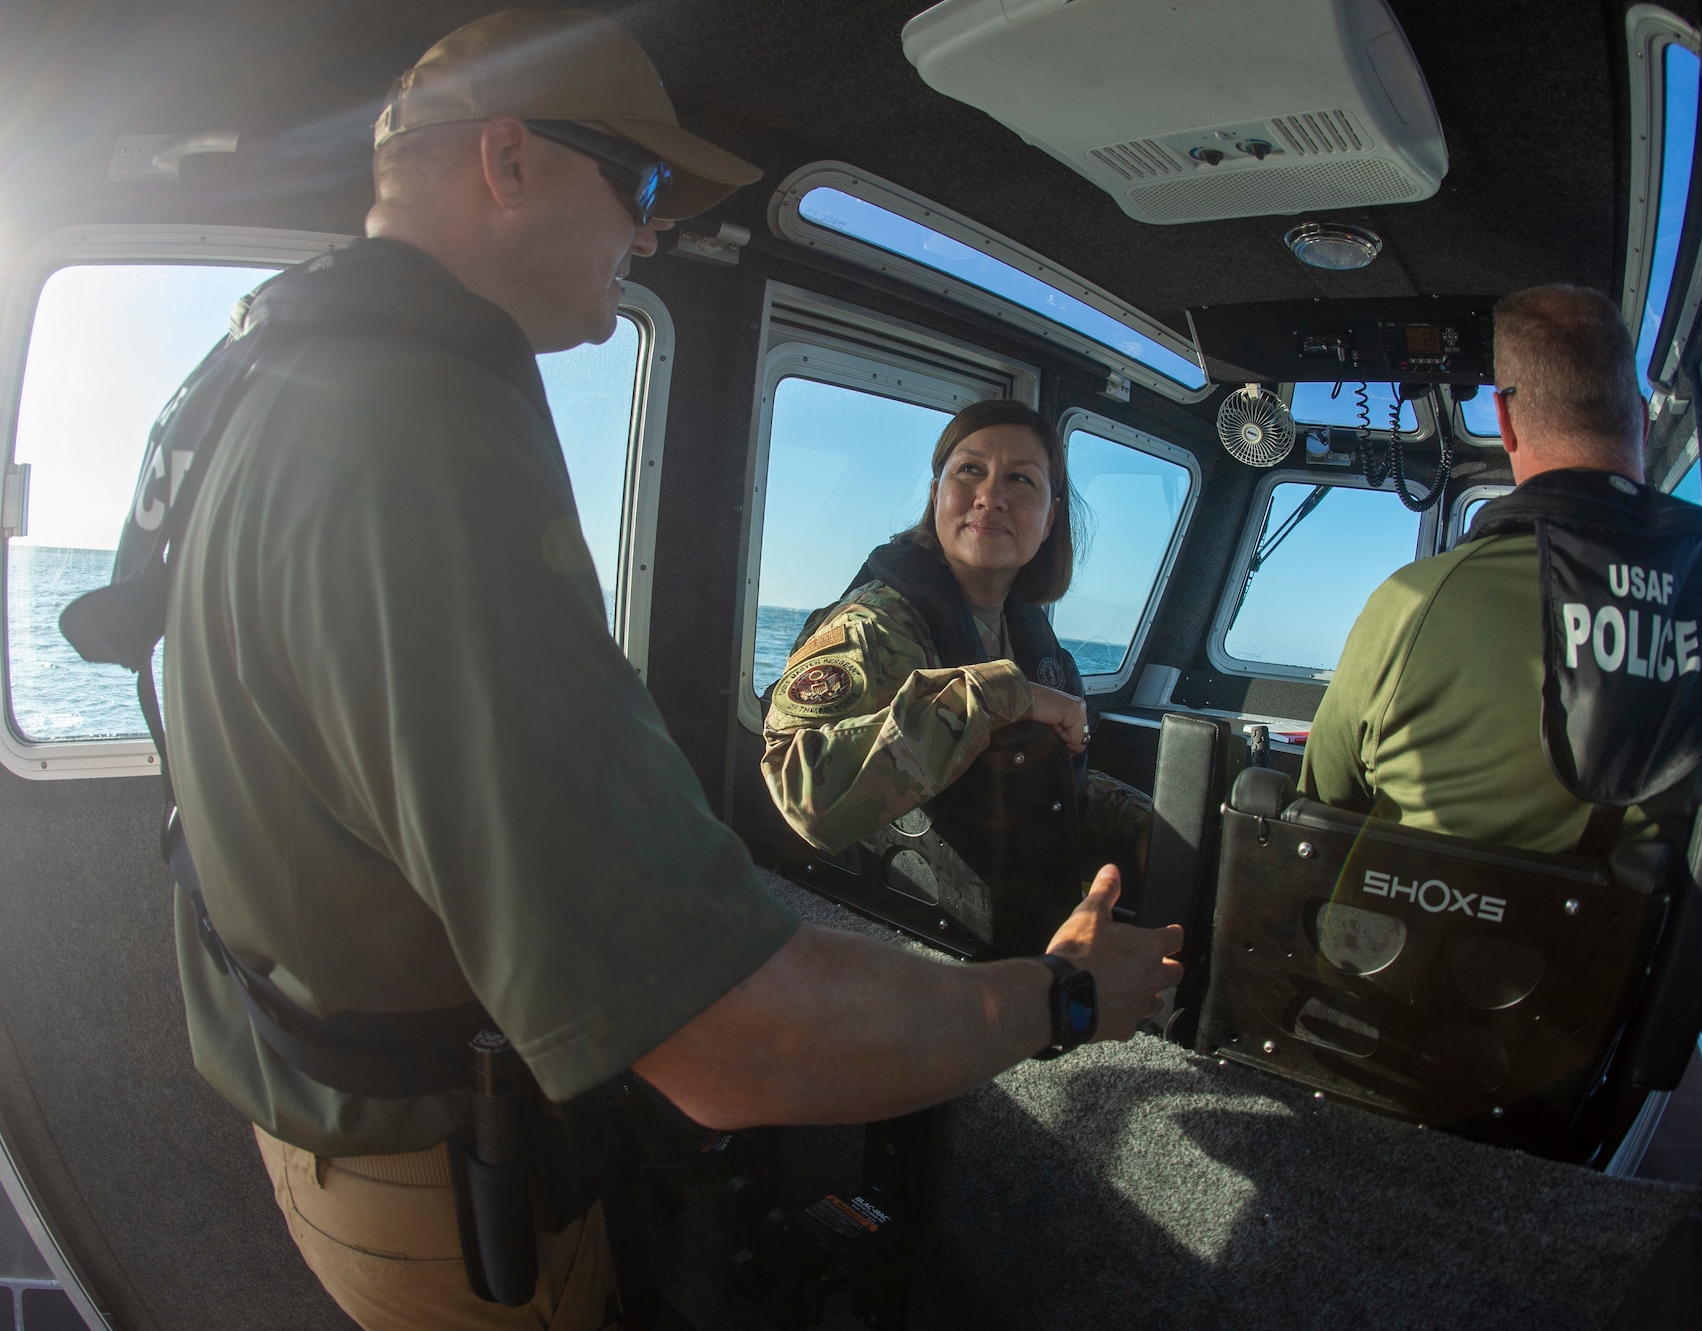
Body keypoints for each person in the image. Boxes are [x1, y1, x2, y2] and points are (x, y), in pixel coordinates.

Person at [154, 10, 1183, 1331]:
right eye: (639, 187)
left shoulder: (289, 375)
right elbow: (726, 1030)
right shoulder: (421, 452)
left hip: (341, 1098)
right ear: (509, 161)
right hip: (435, 1168)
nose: (653, 232)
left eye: (1025, 481)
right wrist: (1073, 993)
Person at [1299, 283, 1702, 851]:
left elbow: (1320, 813)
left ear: (1506, 421)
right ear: (1639, 419)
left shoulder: (1408, 608)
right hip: (1643, 944)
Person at [761, 400, 1152, 875]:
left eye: (1020, 479)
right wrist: (1003, 697)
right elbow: (804, 799)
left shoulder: (1026, 634)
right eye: (969, 470)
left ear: (1050, 519)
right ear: (936, 495)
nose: (990, 496)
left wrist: (1150, 828)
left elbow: (1055, 783)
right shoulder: (875, 625)